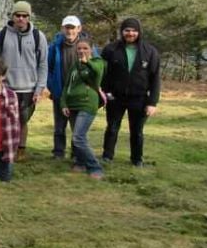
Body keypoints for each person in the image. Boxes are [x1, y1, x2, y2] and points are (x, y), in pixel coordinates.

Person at [101, 18, 160, 167]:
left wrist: (152, 102)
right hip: (116, 97)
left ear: (139, 32)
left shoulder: (150, 52)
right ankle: (107, 156)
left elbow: (155, 79)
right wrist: (105, 93)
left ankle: (137, 159)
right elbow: (103, 73)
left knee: (137, 131)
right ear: (122, 32)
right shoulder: (110, 50)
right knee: (112, 128)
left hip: (139, 98)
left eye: (134, 30)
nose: (130, 33)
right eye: (127, 30)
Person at [0, 1, 48, 161]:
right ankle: (2, 150)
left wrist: (39, 89)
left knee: (22, 121)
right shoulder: (1, 34)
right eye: (18, 15)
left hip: (29, 89)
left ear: (29, 17)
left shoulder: (39, 36)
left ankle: (21, 150)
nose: (21, 18)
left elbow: (43, 64)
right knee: (3, 121)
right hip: (7, 87)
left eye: (24, 16)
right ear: (13, 16)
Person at [47, 15, 94, 160]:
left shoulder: (86, 46)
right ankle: (58, 153)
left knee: (77, 128)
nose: (69, 31)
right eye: (67, 27)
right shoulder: (55, 46)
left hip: (79, 95)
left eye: (72, 28)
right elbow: (48, 68)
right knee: (59, 127)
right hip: (60, 93)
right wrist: (53, 87)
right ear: (62, 29)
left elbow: (96, 67)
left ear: (79, 29)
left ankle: (76, 154)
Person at [60, 38, 106, 179]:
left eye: (85, 48)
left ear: (91, 49)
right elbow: (67, 86)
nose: (81, 51)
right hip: (72, 105)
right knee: (78, 137)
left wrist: (88, 62)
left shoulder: (98, 63)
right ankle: (80, 162)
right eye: (79, 48)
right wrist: (63, 104)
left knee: (78, 137)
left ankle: (95, 167)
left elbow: (97, 74)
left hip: (87, 104)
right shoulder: (75, 66)